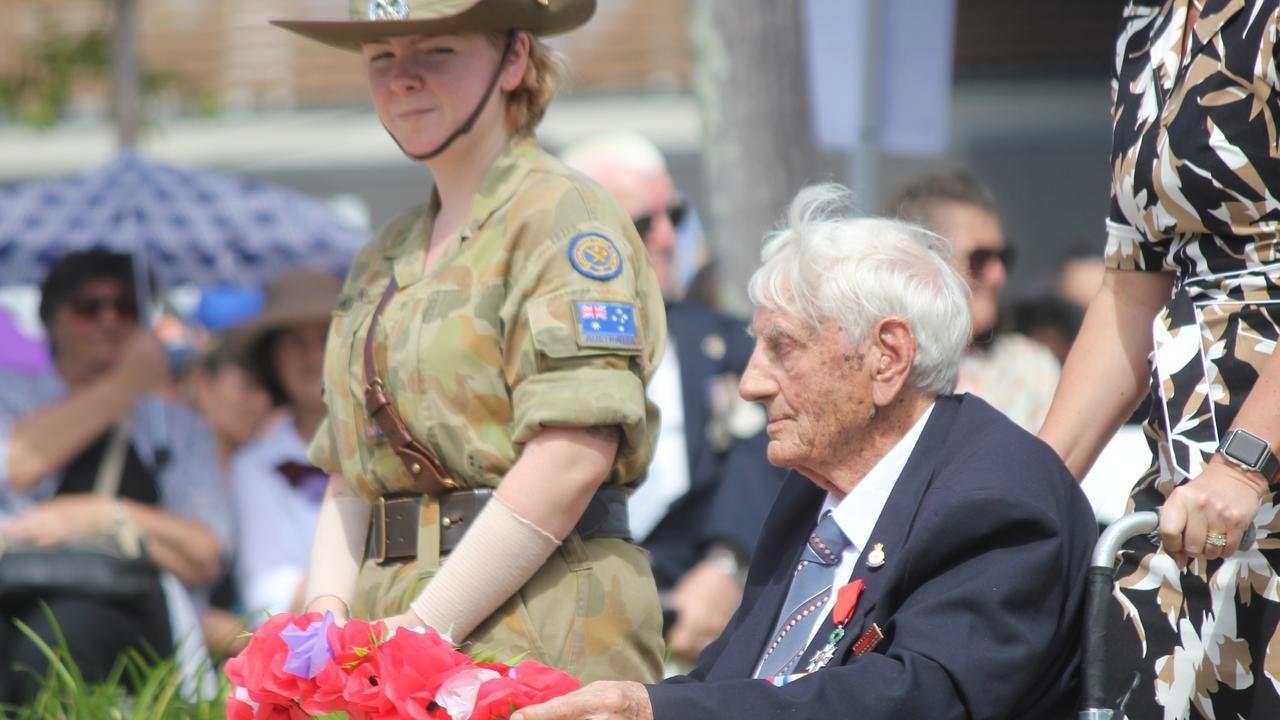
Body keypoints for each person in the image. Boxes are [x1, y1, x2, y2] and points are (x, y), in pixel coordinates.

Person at [512, 185, 1097, 720]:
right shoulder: (815, 492)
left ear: (887, 358)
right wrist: (626, 704)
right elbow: (733, 678)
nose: (751, 383)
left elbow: (917, 699)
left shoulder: (999, 495)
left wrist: (655, 714)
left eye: (782, 348)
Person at [270, 0, 667, 682]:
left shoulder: (564, 218)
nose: (404, 78)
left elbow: (573, 454)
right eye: (382, 57)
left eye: (438, 51)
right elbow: (350, 472)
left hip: (539, 620)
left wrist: (427, 627)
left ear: (515, 58)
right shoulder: (383, 255)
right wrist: (328, 620)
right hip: (390, 631)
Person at [1039, 1, 1280, 715]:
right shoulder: (1146, 23)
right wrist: (1025, 495)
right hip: (1187, 499)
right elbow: (1132, 290)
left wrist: (1246, 462)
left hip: (1249, 469)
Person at [561, 131, 786, 666]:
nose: (666, 238)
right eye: (641, 223)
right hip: (566, 624)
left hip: (695, 634)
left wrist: (727, 562)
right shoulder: (532, 350)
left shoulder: (728, 344)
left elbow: (764, 459)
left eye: (675, 215)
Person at [0, 250, 229, 703]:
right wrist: (126, 382)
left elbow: (205, 553)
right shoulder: (12, 393)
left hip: (128, 605)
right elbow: (17, 464)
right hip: (14, 586)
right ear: (51, 321)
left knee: (59, 636)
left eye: (125, 308)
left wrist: (104, 514)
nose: (108, 320)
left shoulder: (177, 426)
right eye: (89, 308)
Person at [886, 170, 1060, 431]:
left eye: (1004, 257)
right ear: (923, 260)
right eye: (980, 259)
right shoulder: (881, 364)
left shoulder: (1030, 369)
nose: (998, 275)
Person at [225, 270, 341, 623]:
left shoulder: (392, 449)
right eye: (296, 343)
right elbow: (265, 588)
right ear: (272, 359)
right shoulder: (253, 466)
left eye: (326, 337)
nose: (313, 357)